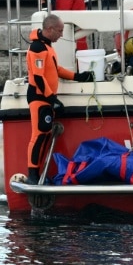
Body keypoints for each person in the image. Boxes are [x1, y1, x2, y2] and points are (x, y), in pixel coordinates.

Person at [26, 13, 94, 182]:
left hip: (45, 98)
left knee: (45, 134)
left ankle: (38, 172)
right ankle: (33, 174)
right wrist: (51, 99)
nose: (62, 35)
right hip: (39, 98)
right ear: (49, 29)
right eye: (60, 31)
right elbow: (38, 77)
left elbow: (56, 69)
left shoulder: (47, 46)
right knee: (39, 135)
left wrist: (78, 77)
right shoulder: (38, 48)